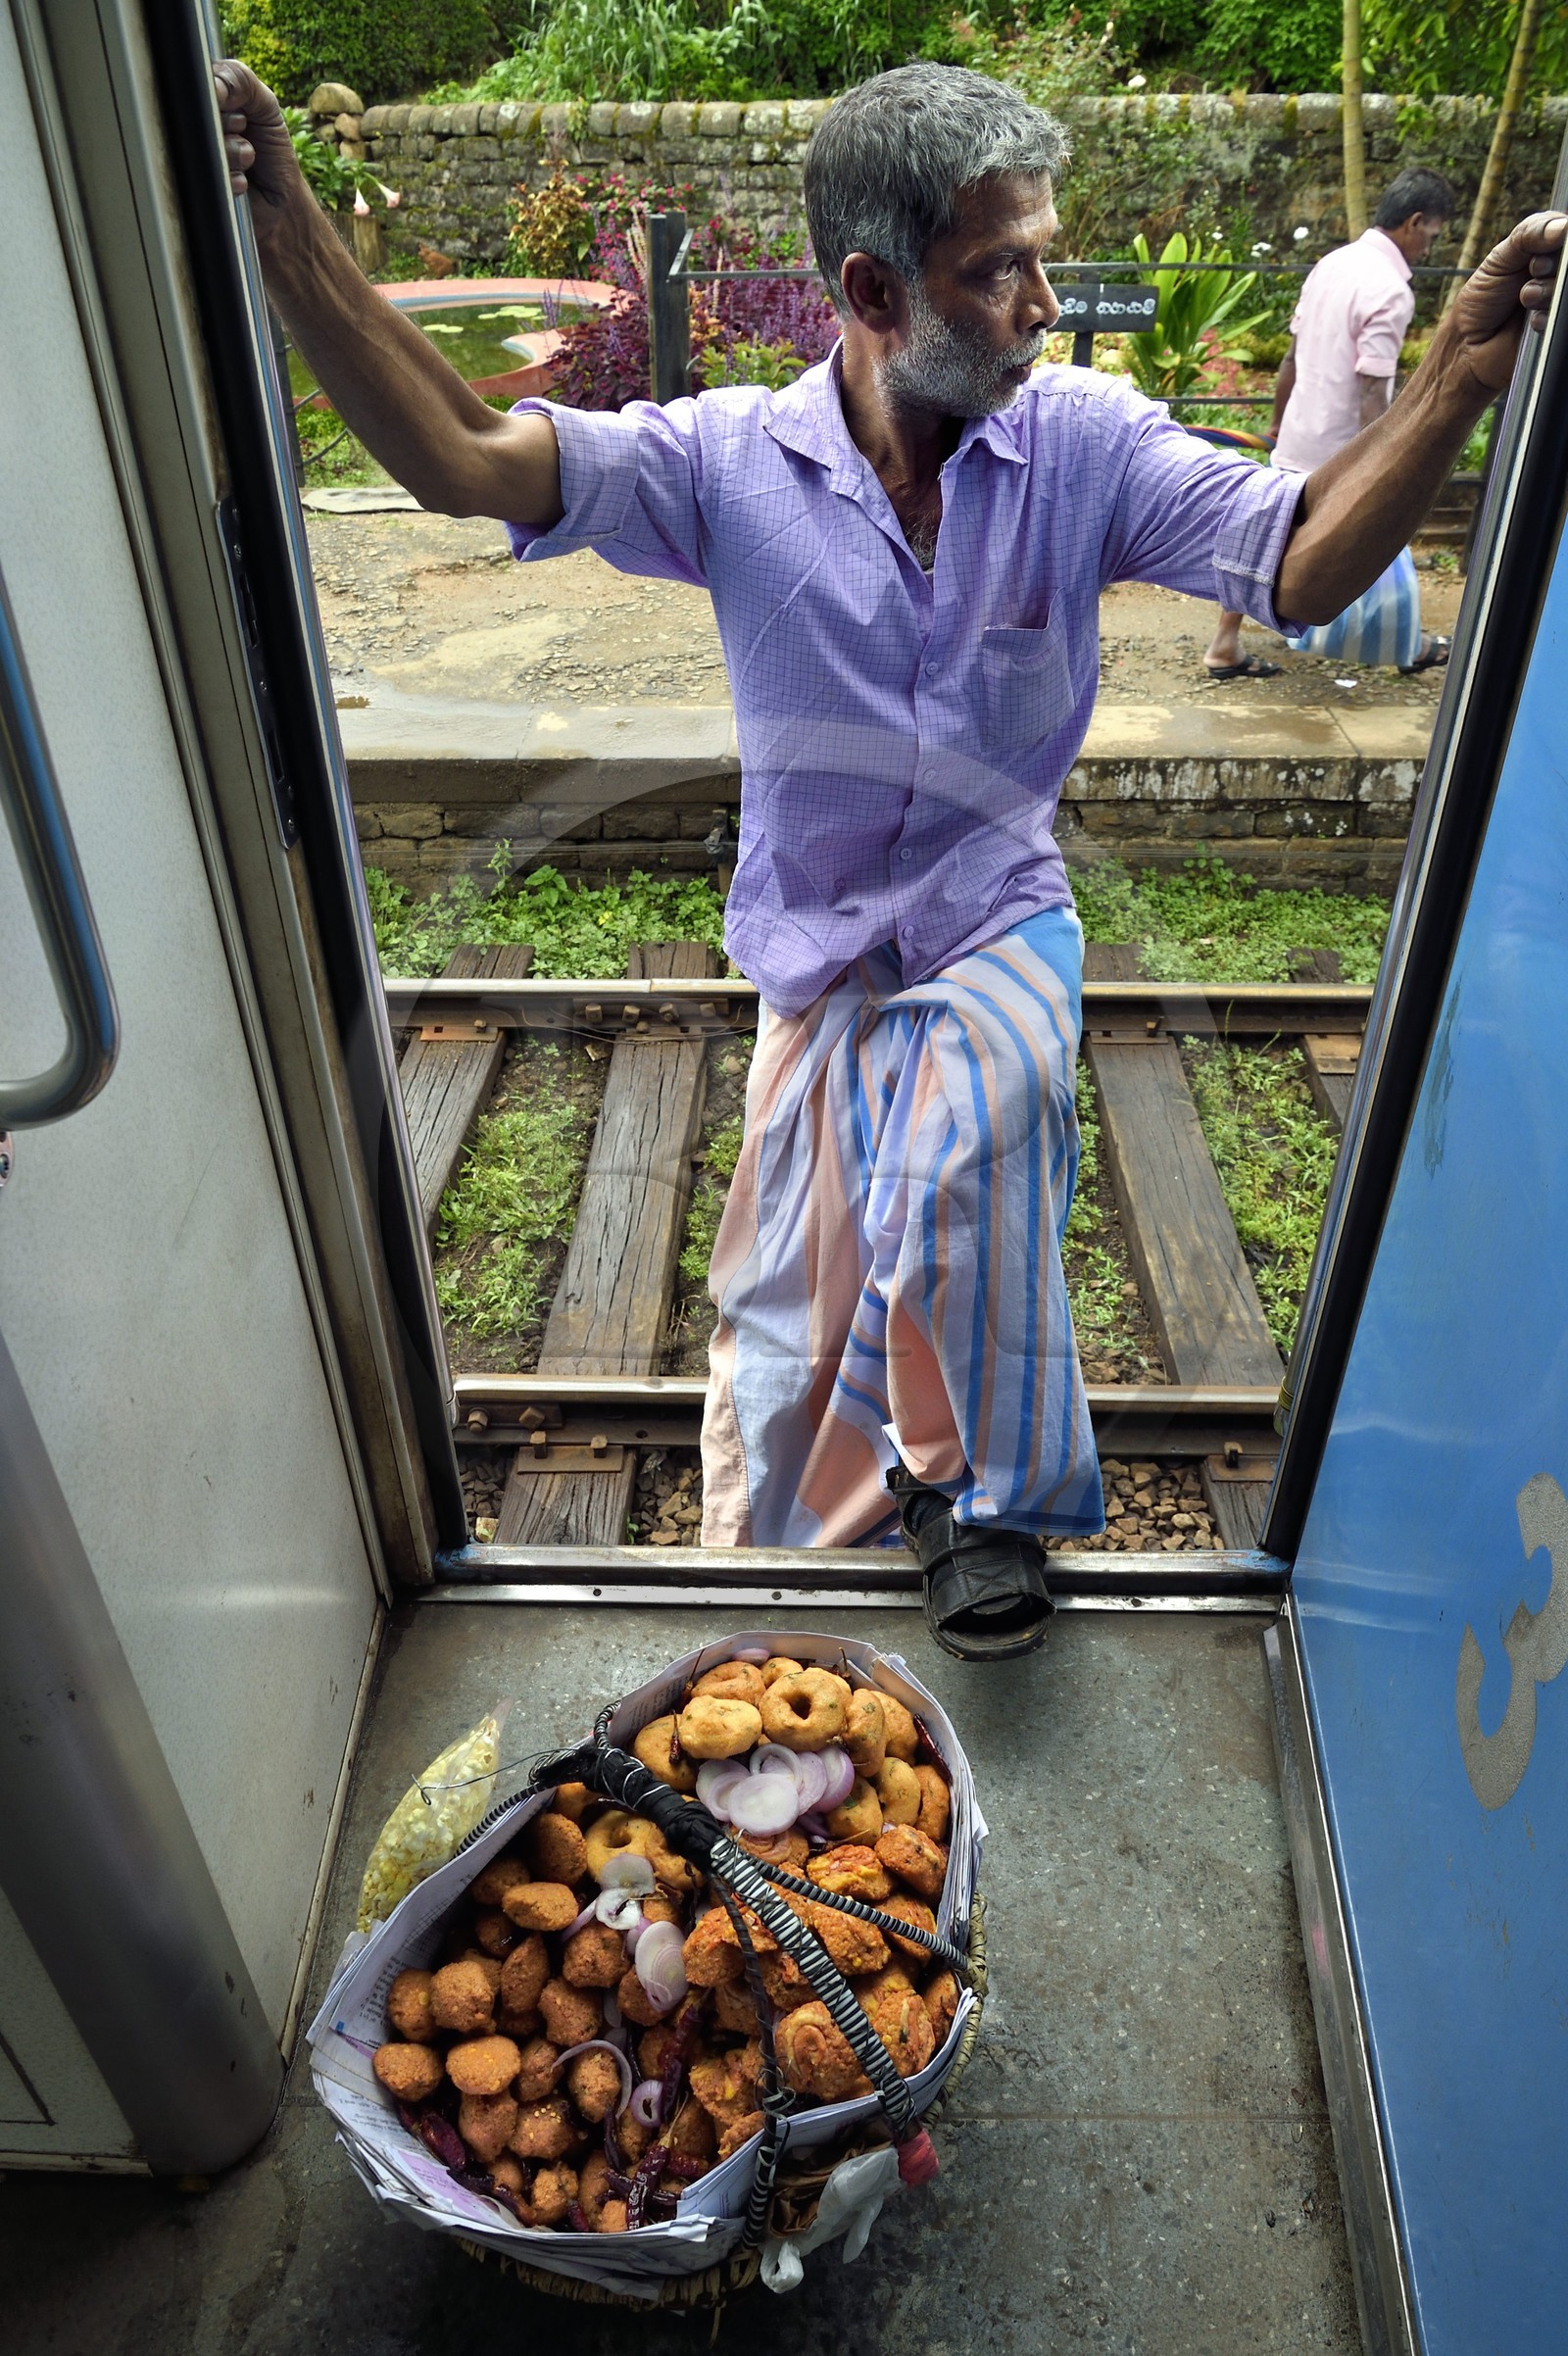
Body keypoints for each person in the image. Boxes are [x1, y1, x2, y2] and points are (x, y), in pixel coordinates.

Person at [218, 58, 1560, 1659]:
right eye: (1002, 270)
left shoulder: (1082, 446)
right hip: (819, 968)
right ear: (870, 289)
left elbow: (1299, 559)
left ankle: (981, 1496)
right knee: (778, 1377)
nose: (1045, 303)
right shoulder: (725, 466)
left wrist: (1456, 379)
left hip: (997, 925)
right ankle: (785, 1573)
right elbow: (456, 449)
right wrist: (286, 227)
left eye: (1045, 257)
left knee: (970, 1114)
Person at [1204, 167, 1457, 680]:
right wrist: (1386, 462)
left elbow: (1291, 358)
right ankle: (1402, 643)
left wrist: (1278, 424)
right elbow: (1372, 389)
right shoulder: (1390, 290)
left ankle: (1224, 645)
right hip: (1342, 452)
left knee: (1262, 541)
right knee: (1369, 544)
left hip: (1297, 437)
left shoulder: (1333, 264)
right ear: (1413, 223)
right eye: (1431, 233)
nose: (1429, 248)